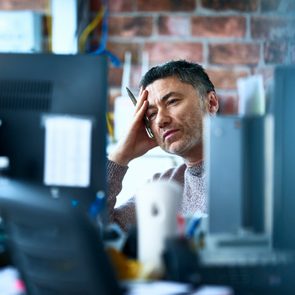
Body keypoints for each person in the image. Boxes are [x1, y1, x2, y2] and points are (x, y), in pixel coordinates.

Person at [107, 60, 219, 231]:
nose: (160, 120)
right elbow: (97, 231)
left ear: (211, 103)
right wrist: (120, 156)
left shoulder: (254, 173)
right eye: (151, 114)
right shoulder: (162, 187)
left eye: (172, 102)